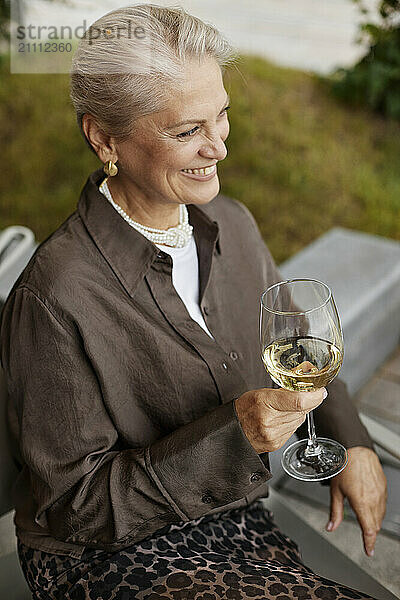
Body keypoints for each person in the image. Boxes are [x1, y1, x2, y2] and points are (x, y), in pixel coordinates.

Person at [0, 5, 387, 599]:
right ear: (104, 137)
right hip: (109, 557)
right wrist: (234, 436)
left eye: (222, 117)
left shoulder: (232, 223)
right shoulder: (54, 296)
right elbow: (74, 508)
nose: (218, 149)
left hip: (234, 513)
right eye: (187, 132)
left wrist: (351, 440)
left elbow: (301, 343)